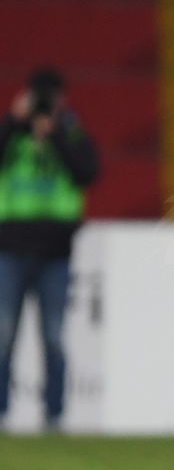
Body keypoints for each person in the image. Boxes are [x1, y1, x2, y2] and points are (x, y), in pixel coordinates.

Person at [0, 67, 99, 431]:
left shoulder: (71, 134)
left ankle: (55, 416)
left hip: (55, 253)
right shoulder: (10, 133)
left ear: (63, 99)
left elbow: (87, 172)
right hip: (9, 248)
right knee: (2, 335)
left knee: (54, 337)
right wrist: (12, 120)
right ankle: (1, 415)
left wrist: (55, 135)